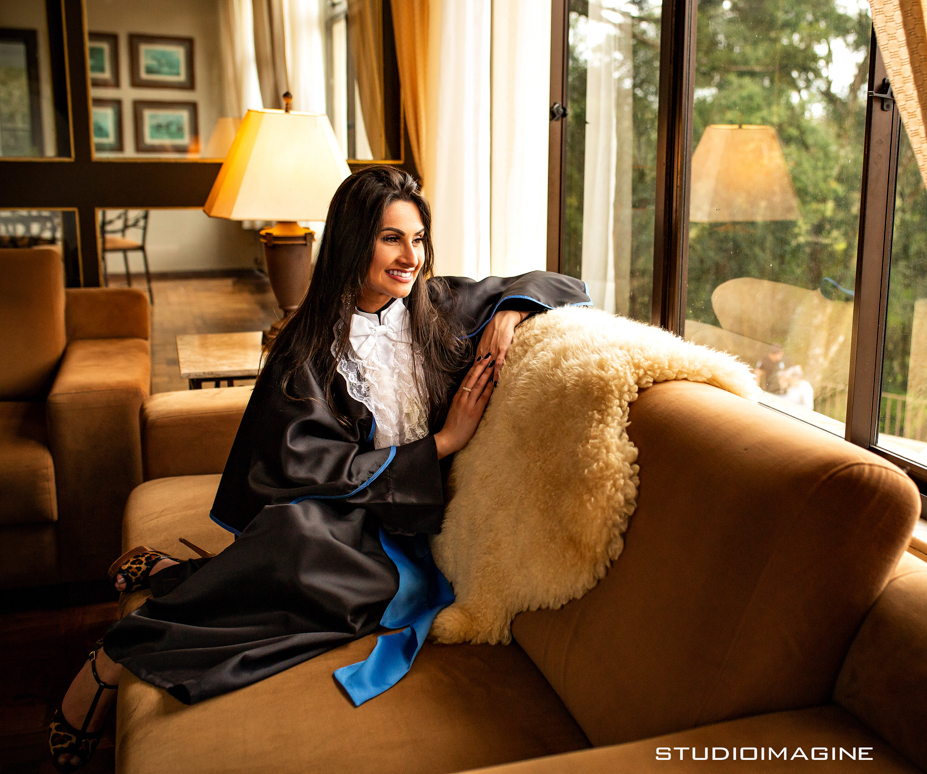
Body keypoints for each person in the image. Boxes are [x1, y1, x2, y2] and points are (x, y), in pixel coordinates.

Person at [47, 166, 591, 772]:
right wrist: (440, 444)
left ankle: (178, 588)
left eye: (418, 239)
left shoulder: (440, 305)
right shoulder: (308, 345)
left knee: (309, 562)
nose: (410, 257)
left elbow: (563, 282)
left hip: (420, 518)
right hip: (353, 515)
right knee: (297, 535)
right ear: (354, 241)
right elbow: (302, 464)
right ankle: (117, 655)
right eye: (390, 238)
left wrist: (510, 312)